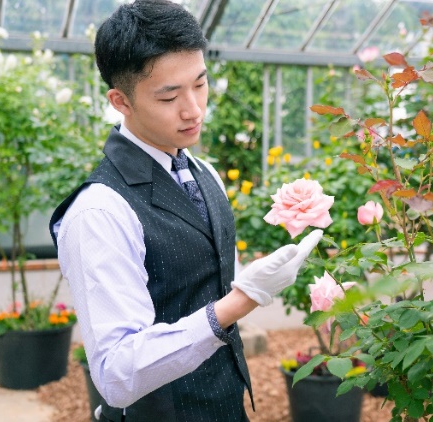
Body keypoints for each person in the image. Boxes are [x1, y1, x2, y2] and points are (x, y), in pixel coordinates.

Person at [48, 1, 322, 421]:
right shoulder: (99, 211)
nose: (193, 108)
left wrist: (252, 275)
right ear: (120, 101)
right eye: (169, 95)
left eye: (200, 84)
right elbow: (117, 374)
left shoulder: (201, 170)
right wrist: (243, 299)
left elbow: (201, 282)